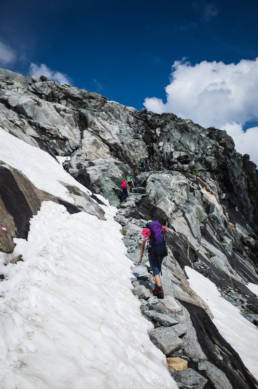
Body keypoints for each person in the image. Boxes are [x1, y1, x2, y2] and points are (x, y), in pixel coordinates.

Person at [137, 220, 168, 299]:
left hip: (153, 253)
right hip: (162, 252)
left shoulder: (147, 231)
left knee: (155, 270)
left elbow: (143, 245)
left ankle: (160, 289)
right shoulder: (161, 228)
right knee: (158, 269)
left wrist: (140, 258)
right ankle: (156, 288)